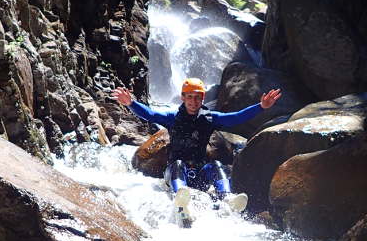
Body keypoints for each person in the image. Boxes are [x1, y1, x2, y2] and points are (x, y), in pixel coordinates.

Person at [112, 78, 281, 217]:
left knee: (215, 165)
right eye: (190, 97)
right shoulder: (173, 117)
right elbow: (150, 115)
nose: (193, 101)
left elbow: (235, 118)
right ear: (183, 98)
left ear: (202, 98)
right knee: (178, 164)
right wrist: (131, 103)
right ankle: (181, 200)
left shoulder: (210, 118)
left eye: (197, 97)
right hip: (176, 172)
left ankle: (227, 198)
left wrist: (261, 107)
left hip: (200, 172)